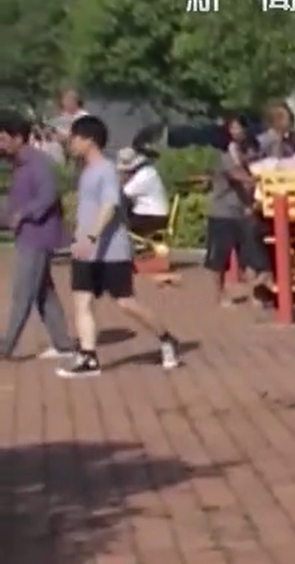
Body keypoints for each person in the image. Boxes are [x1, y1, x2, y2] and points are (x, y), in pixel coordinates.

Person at [57, 116, 181, 377]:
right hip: (85, 252)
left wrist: (91, 237)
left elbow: (109, 206)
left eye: (75, 138)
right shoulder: (86, 171)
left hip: (111, 251)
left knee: (125, 302)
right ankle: (89, 357)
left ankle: (166, 338)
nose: (72, 143)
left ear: (90, 140)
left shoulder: (106, 171)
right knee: (82, 301)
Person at [0, 111, 76, 361]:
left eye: (3, 139)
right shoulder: (20, 163)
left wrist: (23, 214)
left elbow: (48, 194)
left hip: (37, 236)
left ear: (18, 138)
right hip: (28, 235)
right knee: (43, 292)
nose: (1, 144)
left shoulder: (38, 162)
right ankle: (63, 344)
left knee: (23, 293)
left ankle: (6, 346)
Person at [205, 117, 268, 306]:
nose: (237, 131)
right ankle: (219, 296)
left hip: (243, 211)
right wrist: (258, 179)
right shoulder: (224, 155)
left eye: (239, 127)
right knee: (219, 258)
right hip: (222, 212)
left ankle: (253, 294)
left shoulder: (248, 152)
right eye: (232, 128)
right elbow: (236, 174)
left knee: (249, 256)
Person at [118, 146, 171, 243]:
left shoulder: (143, 177)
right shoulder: (149, 172)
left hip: (151, 218)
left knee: (117, 223)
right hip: (151, 216)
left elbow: (122, 194)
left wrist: (121, 181)